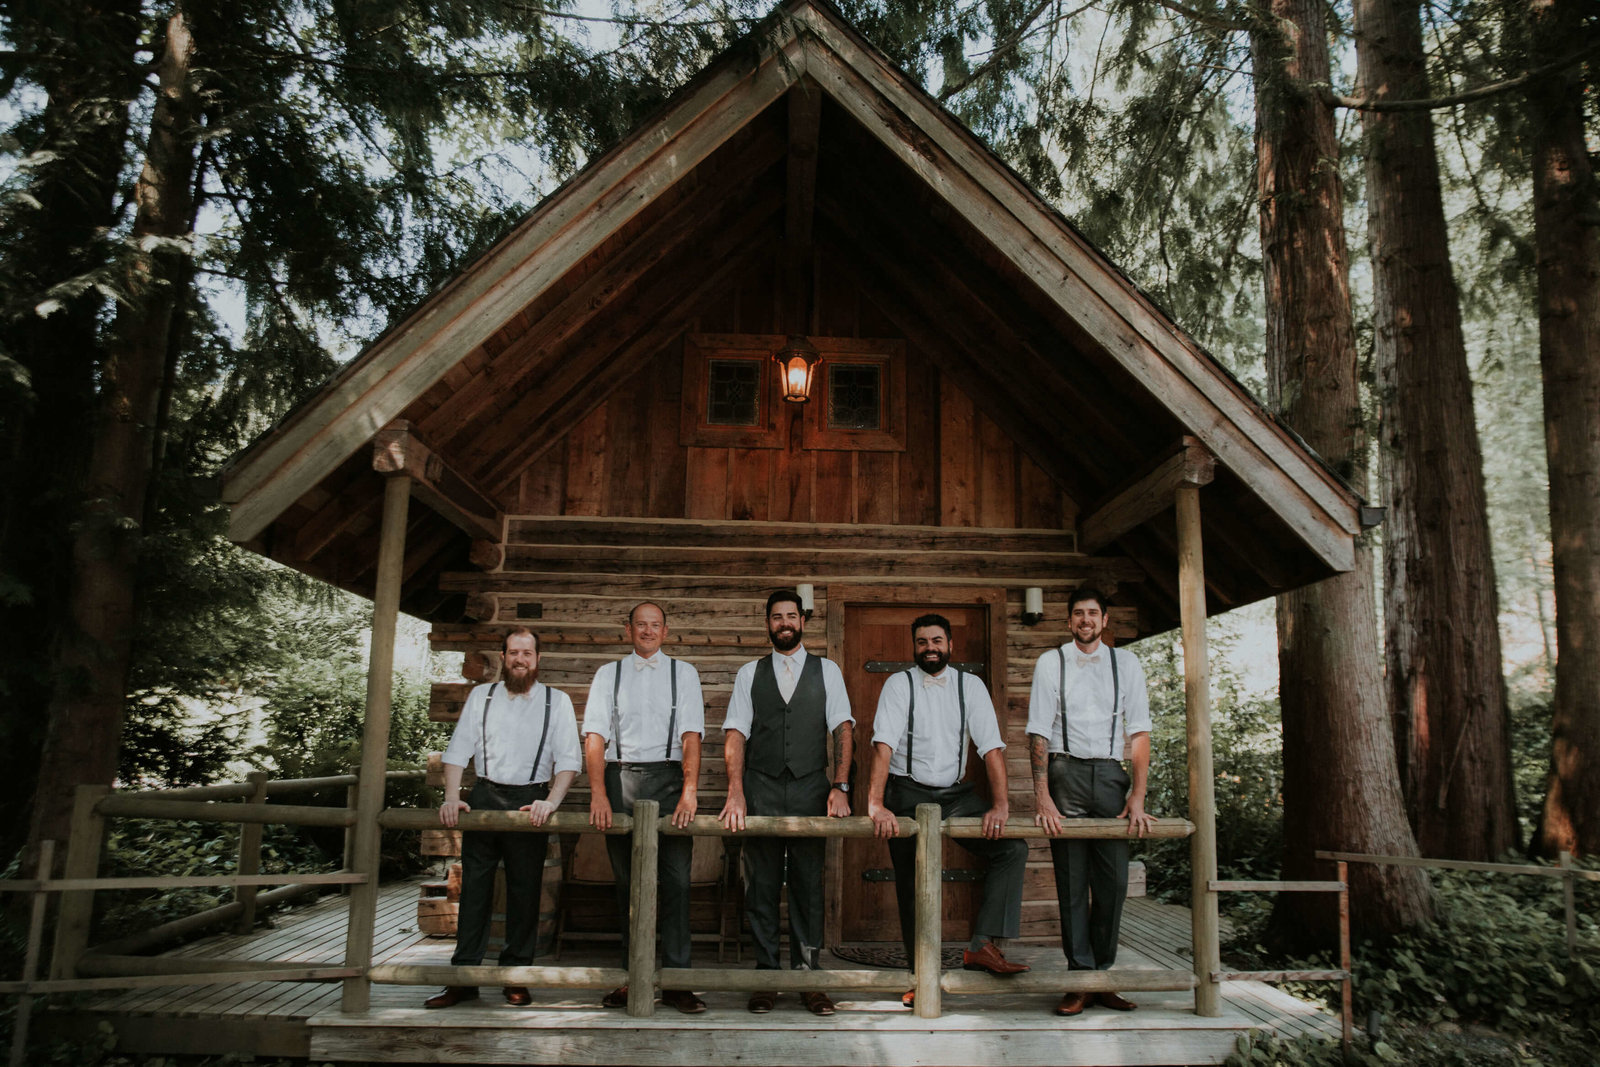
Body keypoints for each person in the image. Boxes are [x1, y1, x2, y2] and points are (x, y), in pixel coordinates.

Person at [867, 613, 1030, 1010]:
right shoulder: (898, 683)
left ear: (951, 645)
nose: (930, 648)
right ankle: (918, 978)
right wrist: (875, 803)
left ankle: (981, 945)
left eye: (936, 641)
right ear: (914, 646)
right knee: (911, 885)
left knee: (1012, 849)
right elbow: (883, 745)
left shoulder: (969, 686)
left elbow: (991, 748)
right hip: (907, 793)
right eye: (922, 642)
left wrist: (1001, 806)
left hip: (958, 796)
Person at [426, 627, 581, 1009]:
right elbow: (458, 750)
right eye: (513, 652)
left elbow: (569, 761)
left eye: (527, 653)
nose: (520, 659)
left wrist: (552, 801)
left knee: (524, 891)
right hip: (484, 795)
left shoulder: (555, 701)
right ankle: (464, 977)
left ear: (538, 658)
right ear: (503, 656)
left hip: (531, 801)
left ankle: (516, 975)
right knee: (474, 889)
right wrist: (450, 797)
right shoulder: (482, 695)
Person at [719, 589, 853, 1016]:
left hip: (812, 788)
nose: (784, 623)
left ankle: (808, 978)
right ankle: (766, 977)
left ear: (802, 621)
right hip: (760, 788)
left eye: (791, 616)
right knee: (759, 884)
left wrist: (840, 785)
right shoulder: (749, 673)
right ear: (767, 624)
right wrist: (736, 792)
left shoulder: (827, 671)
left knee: (808, 885)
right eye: (776, 617)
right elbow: (736, 733)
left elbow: (843, 730)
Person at [1027, 587, 1155, 1017]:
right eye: (1078, 613)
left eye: (1093, 613)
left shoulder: (1127, 663)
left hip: (1110, 776)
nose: (1085, 620)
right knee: (1071, 882)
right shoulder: (1052, 661)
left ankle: (1104, 976)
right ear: (1069, 622)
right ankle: (1079, 979)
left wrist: (1137, 795)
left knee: (1113, 884)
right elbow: (1039, 732)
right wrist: (1042, 796)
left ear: (1105, 621)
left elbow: (1139, 731)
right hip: (1065, 773)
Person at [583, 602, 708, 1014]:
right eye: (641, 625)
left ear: (665, 631)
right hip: (621, 780)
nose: (648, 631)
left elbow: (691, 735)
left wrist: (690, 791)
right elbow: (596, 735)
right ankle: (628, 977)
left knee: (675, 882)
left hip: (671, 780)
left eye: (655, 625)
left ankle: (677, 981)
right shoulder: (608, 674)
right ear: (628, 630)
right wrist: (598, 793)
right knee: (629, 884)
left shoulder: (683, 673)